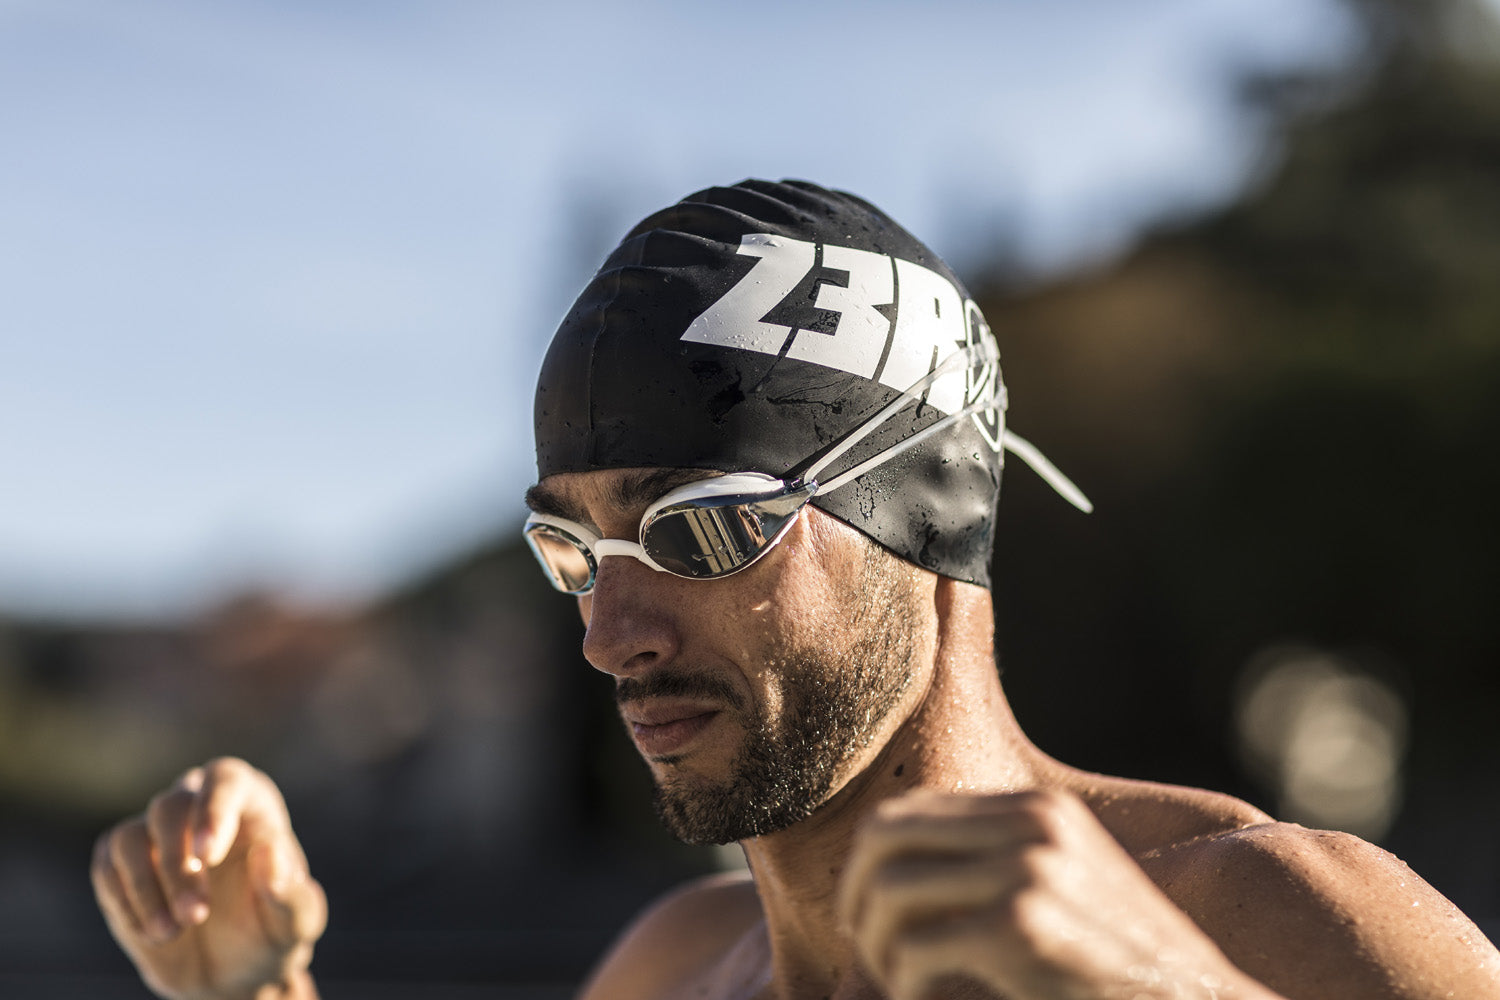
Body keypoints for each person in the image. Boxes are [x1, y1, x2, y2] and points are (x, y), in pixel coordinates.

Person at [92, 179, 1500, 1000]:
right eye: (571, 552)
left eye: (701, 532)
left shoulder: (1270, 917)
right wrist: (255, 987)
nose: (610, 636)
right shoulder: (678, 967)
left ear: (927, 515)